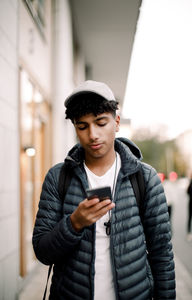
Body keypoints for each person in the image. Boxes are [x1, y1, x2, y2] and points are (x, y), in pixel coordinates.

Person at [32, 80, 175, 300]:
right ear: (75, 128)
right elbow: (42, 251)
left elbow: (162, 254)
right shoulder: (58, 177)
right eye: (83, 126)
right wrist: (74, 223)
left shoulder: (145, 178)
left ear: (116, 122)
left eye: (100, 123)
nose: (93, 135)